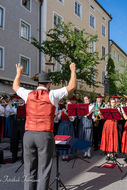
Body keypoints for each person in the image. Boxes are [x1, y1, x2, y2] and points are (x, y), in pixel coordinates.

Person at [13, 62, 76, 190]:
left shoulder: (28, 94)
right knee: (44, 170)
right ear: (48, 84)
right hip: (44, 134)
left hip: (29, 134)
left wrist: (18, 73)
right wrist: (73, 70)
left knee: (29, 170)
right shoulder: (52, 95)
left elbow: (15, 86)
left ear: (38, 83)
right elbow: (72, 86)